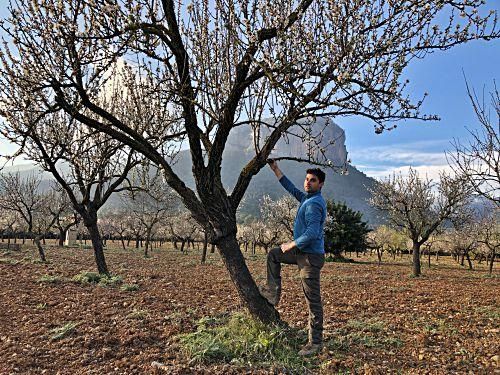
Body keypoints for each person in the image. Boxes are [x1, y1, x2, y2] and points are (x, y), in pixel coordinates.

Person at [260, 159, 327, 356]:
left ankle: (315, 343)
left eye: (312, 180)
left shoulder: (314, 204)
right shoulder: (306, 198)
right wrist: (275, 169)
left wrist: (291, 243)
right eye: (306, 179)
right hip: (301, 252)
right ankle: (273, 292)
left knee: (312, 301)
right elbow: (290, 187)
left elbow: (313, 232)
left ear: (320, 184)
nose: (307, 183)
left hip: (310, 258)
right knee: (273, 254)